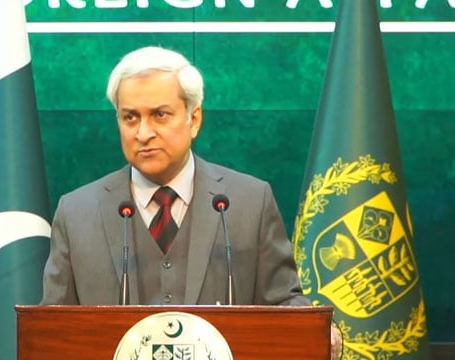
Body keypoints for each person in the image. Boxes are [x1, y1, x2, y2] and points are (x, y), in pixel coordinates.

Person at [41, 46, 342, 358]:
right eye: (130, 118)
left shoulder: (249, 202)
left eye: (159, 115)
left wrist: (317, 332)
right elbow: (51, 329)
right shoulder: (76, 212)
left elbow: (283, 302)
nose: (143, 133)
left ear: (194, 119)